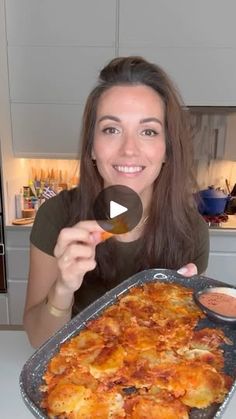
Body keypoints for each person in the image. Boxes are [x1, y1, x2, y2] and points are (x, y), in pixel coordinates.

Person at [23, 56, 209, 348]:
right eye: (111, 129)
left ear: (167, 151)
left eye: (148, 131)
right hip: (77, 383)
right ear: (92, 148)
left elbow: (184, 345)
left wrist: (186, 305)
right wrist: (63, 287)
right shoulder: (57, 215)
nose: (129, 150)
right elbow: (38, 339)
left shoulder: (192, 230)